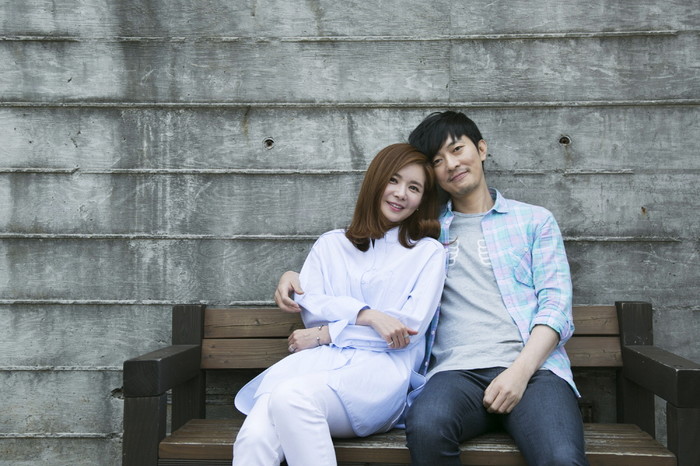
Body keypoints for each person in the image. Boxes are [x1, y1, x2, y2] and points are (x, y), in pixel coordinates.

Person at [275, 111, 589, 465]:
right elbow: (363, 261)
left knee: (562, 457)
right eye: (438, 161)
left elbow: (555, 308)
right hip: (454, 375)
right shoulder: (422, 232)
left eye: (457, 150)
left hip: (535, 372)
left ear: (481, 149)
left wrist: (519, 373)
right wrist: (297, 277)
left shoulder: (534, 221)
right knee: (426, 426)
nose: (451, 164)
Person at [232, 143, 446, 466]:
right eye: (393, 180)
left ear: (421, 202)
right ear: (375, 182)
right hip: (315, 366)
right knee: (254, 437)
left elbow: (405, 331)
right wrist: (366, 315)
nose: (401, 193)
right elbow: (313, 309)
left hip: (378, 377)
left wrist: (330, 334)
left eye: (413, 188)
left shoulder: (428, 254)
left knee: (292, 399)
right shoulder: (330, 245)